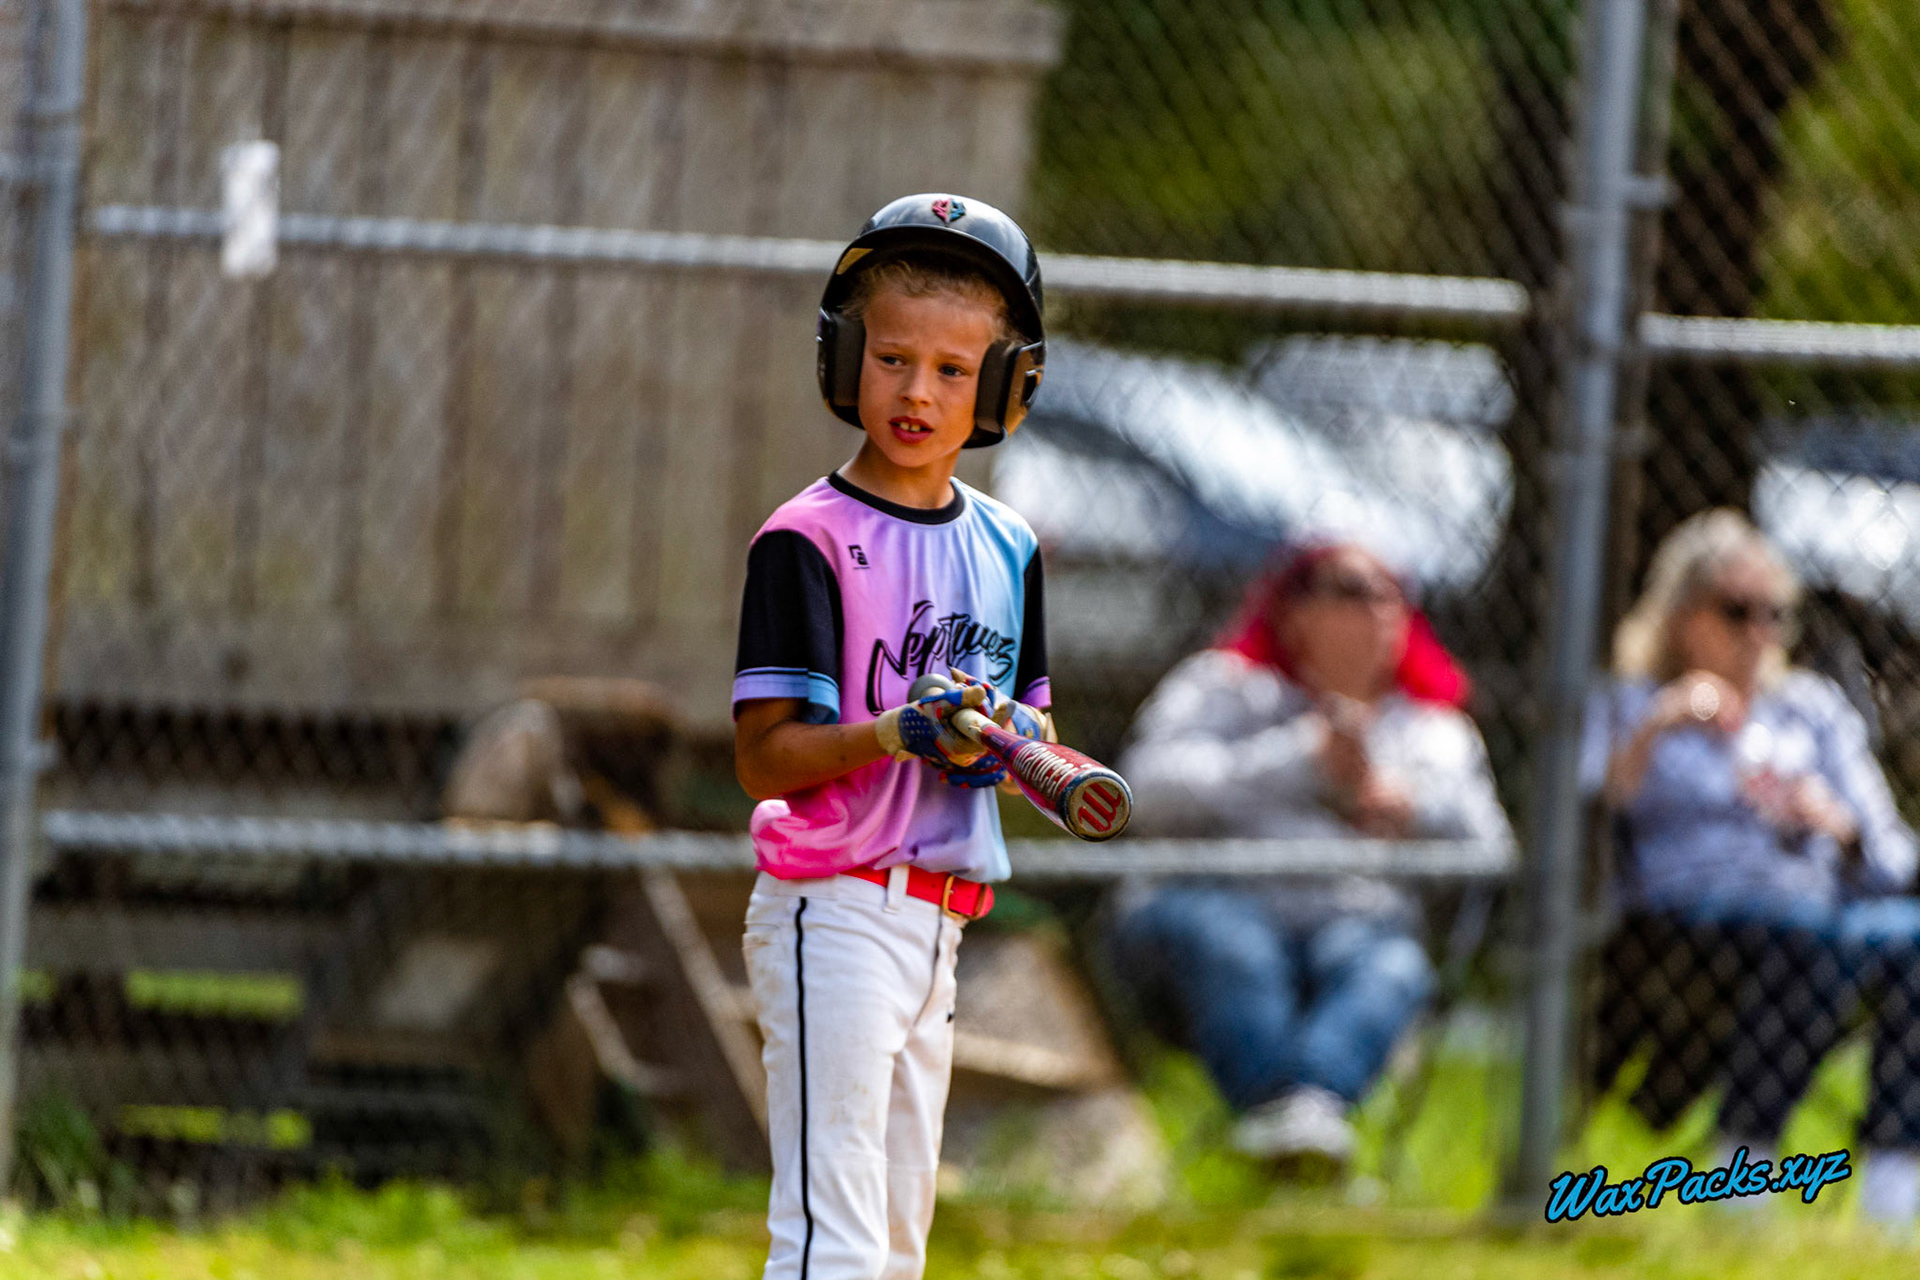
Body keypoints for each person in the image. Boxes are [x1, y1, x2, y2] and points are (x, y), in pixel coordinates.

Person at [731, 193, 1059, 1280]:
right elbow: (763, 758)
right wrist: (892, 732)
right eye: (892, 359)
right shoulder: (807, 539)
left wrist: (1009, 738)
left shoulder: (1010, 547)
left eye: (954, 370)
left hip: (941, 924)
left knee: (898, 1248)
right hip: (834, 906)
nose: (918, 392)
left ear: (1008, 383)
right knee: (832, 1239)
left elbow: (1034, 729)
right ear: (844, 360)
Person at [1106, 541, 1512, 1175]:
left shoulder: (1432, 729)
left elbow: (1492, 850)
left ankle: (1295, 1118)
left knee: (1394, 968)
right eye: (1349, 590)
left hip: (1358, 921)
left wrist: (1408, 809)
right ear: (1293, 611)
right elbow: (1140, 791)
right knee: (1235, 944)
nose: (1376, 610)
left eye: (1391, 595)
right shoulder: (1225, 686)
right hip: (1218, 903)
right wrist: (1299, 761)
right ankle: (1297, 1123)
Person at [1581, 508, 1920, 1224]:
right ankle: (1746, 1162)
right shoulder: (1631, 702)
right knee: (1807, 937)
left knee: (1906, 937)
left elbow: (1892, 855)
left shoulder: (1809, 711)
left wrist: (1837, 826)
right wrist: (1660, 724)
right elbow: (1588, 813)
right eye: (1737, 610)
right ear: (1682, 616)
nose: (1760, 632)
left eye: (1776, 613)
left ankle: (1895, 1181)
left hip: (1821, 903)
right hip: (1688, 906)